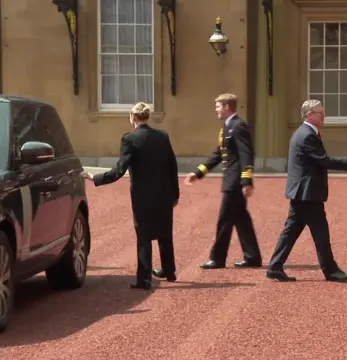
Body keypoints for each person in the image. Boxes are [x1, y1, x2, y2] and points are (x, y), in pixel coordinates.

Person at [82, 102, 179, 290]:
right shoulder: (163, 136)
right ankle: (169, 270)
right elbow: (172, 167)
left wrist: (96, 178)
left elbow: (120, 169)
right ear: (147, 116)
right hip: (164, 192)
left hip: (142, 194)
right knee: (165, 231)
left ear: (133, 117)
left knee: (143, 234)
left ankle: (144, 278)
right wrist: (175, 194)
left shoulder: (130, 139)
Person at [266, 99, 347, 282]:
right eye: (320, 113)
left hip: (302, 192)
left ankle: (275, 266)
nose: (323, 115)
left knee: (291, 231)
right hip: (307, 192)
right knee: (320, 232)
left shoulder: (305, 133)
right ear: (309, 115)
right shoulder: (307, 135)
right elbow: (323, 160)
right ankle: (330, 270)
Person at [184, 93, 262, 269]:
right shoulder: (227, 127)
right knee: (241, 219)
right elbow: (219, 154)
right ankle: (253, 257)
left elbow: (246, 154)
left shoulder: (239, 126)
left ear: (227, 107)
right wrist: (198, 173)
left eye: (218, 106)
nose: (216, 110)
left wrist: (246, 181)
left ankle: (217, 258)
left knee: (225, 219)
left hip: (235, 181)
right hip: (231, 180)